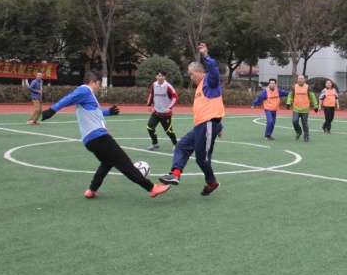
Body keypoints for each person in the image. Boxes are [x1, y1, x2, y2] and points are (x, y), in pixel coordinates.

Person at [41, 70, 168, 198]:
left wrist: (108, 112)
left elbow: (94, 111)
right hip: (99, 137)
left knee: (107, 162)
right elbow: (69, 98)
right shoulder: (85, 90)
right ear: (92, 82)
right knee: (124, 163)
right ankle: (151, 188)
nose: (99, 87)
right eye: (98, 84)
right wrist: (52, 110)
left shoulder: (86, 95)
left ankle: (92, 189)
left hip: (90, 140)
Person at [158, 43, 224, 196]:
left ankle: (212, 183)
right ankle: (175, 174)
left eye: (192, 74)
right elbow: (214, 105)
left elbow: (214, 71)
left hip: (207, 125)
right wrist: (220, 126)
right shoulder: (200, 87)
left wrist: (205, 55)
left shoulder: (210, 81)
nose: (191, 78)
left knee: (202, 159)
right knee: (182, 146)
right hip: (200, 126)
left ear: (200, 71)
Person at [146, 69, 179, 151]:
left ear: (165, 77)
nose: (160, 77)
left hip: (165, 114)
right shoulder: (154, 85)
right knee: (149, 127)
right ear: (156, 76)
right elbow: (151, 94)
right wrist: (149, 104)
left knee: (168, 131)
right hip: (156, 112)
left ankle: (175, 144)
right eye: (159, 76)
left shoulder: (168, 86)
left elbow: (175, 96)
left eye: (162, 76)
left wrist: (169, 107)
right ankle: (155, 143)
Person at [286, 74, 318, 142]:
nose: (300, 80)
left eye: (301, 78)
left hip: (305, 109)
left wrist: (315, 106)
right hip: (296, 108)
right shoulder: (294, 87)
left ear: (304, 79)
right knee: (294, 121)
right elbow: (290, 96)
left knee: (304, 123)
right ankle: (298, 131)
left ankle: (306, 137)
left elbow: (312, 97)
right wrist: (288, 103)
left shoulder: (308, 87)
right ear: (297, 79)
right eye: (299, 78)